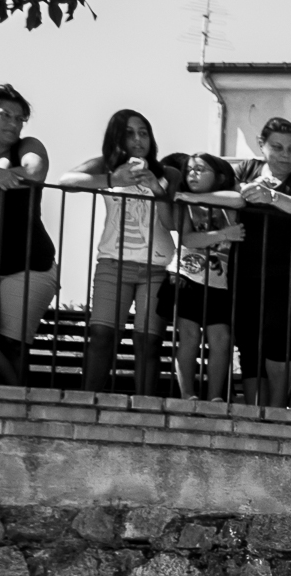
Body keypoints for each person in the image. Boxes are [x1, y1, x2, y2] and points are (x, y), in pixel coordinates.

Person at [60, 109, 179, 396]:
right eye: (129, 132)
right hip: (112, 263)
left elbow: (172, 222)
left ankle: (146, 410)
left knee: (148, 340)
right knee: (102, 335)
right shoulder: (105, 166)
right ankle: (87, 403)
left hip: (157, 268)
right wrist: (113, 178)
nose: (138, 139)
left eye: (143, 132)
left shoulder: (168, 173)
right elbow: (66, 181)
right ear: (116, 137)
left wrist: (155, 187)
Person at [220, 118, 291, 408]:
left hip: (289, 274)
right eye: (277, 147)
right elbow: (225, 197)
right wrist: (246, 189)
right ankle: (256, 410)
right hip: (244, 272)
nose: (285, 154)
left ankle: (278, 411)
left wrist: (271, 195)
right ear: (261, 145)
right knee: (248, 342)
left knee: (278, 337)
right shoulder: (246, 169)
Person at [0, 83, 58, 386]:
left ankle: (19, 403)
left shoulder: (28, 145)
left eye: (20, 118)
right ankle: (17, 393)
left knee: (14, 345)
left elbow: (36, 172)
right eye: (6, 115)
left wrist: (4, 172)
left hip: (30, 263)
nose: (14, 124)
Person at [159, 153, 241, 402]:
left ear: (219, 177)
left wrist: (194, 197)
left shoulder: (226, 199)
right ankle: (188, 395)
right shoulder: (183, 204)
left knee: (221, 339)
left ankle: (215, 397)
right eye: (189, 170)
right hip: (187, 276)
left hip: (219, 282)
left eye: (200, 169)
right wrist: (223, 234)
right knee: (189, 335)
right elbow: (188, 239)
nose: (192, 174)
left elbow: (238, 200)